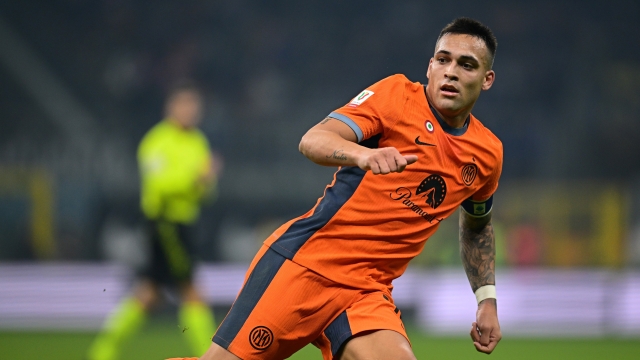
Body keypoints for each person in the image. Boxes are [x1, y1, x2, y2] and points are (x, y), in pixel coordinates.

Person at [171, 16, 502, 360]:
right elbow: (314, 139)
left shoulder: (487, 153)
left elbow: (478, 229)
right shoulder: (396, 97)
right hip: (307, 265)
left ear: (486, 79)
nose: (451, 71)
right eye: (444, 59)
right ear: (430, 66)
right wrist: (363, 155)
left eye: (467, 65)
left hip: (367, 291)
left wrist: (486, 301)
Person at [88, 82, 220, 360]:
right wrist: (196, 178)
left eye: (194, 106)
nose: (190, 111)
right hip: (164, 222)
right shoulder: (156, 142)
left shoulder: (198, 141)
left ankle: (102, 350)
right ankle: (210, 355)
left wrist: (205, 181)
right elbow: (159, 184)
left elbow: (206, 192)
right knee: (191, 290)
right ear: (170, 108)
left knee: (150, 292)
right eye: (184, 105)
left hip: (184, 222)